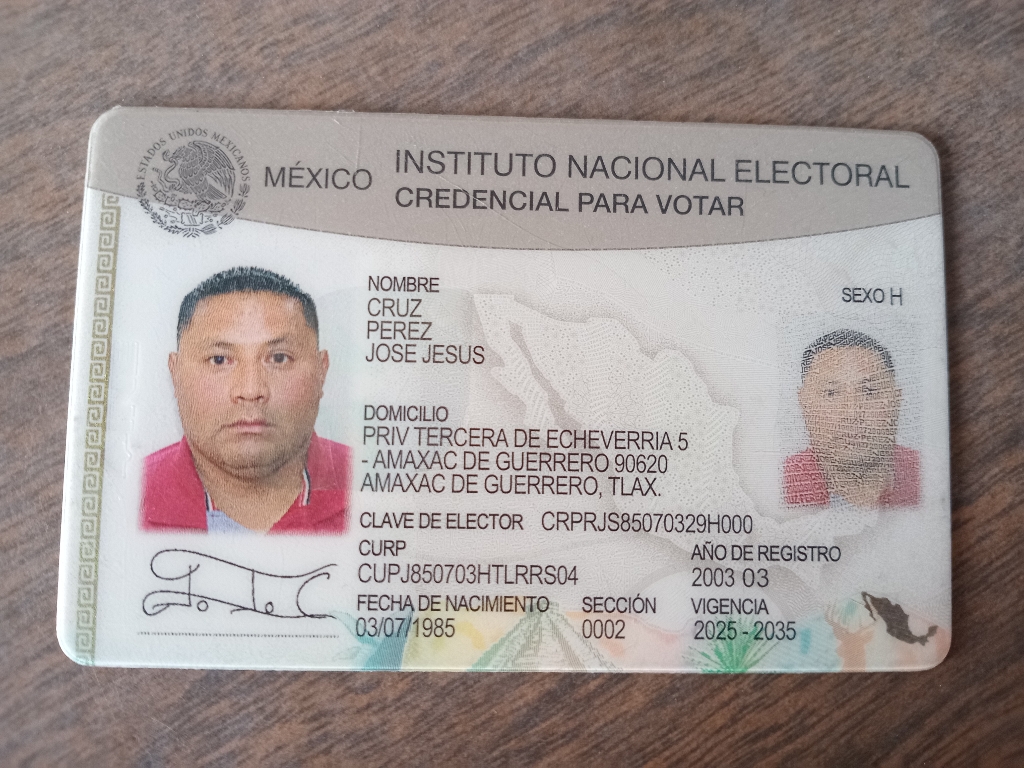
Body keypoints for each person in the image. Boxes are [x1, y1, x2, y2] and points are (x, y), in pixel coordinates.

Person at [141, 267, 351, 533]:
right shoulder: (127, 497)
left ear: (322, 371)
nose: (251, 390)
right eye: (219, 360)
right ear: (175, 373)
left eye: (278, 358)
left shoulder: (376, 490)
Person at [784, 330, 919, 508]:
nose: (852, 413)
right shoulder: (777, 483)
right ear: (804, 402)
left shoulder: (929, 475)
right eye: (831, 393)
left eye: (869, 391)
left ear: (896, 399)